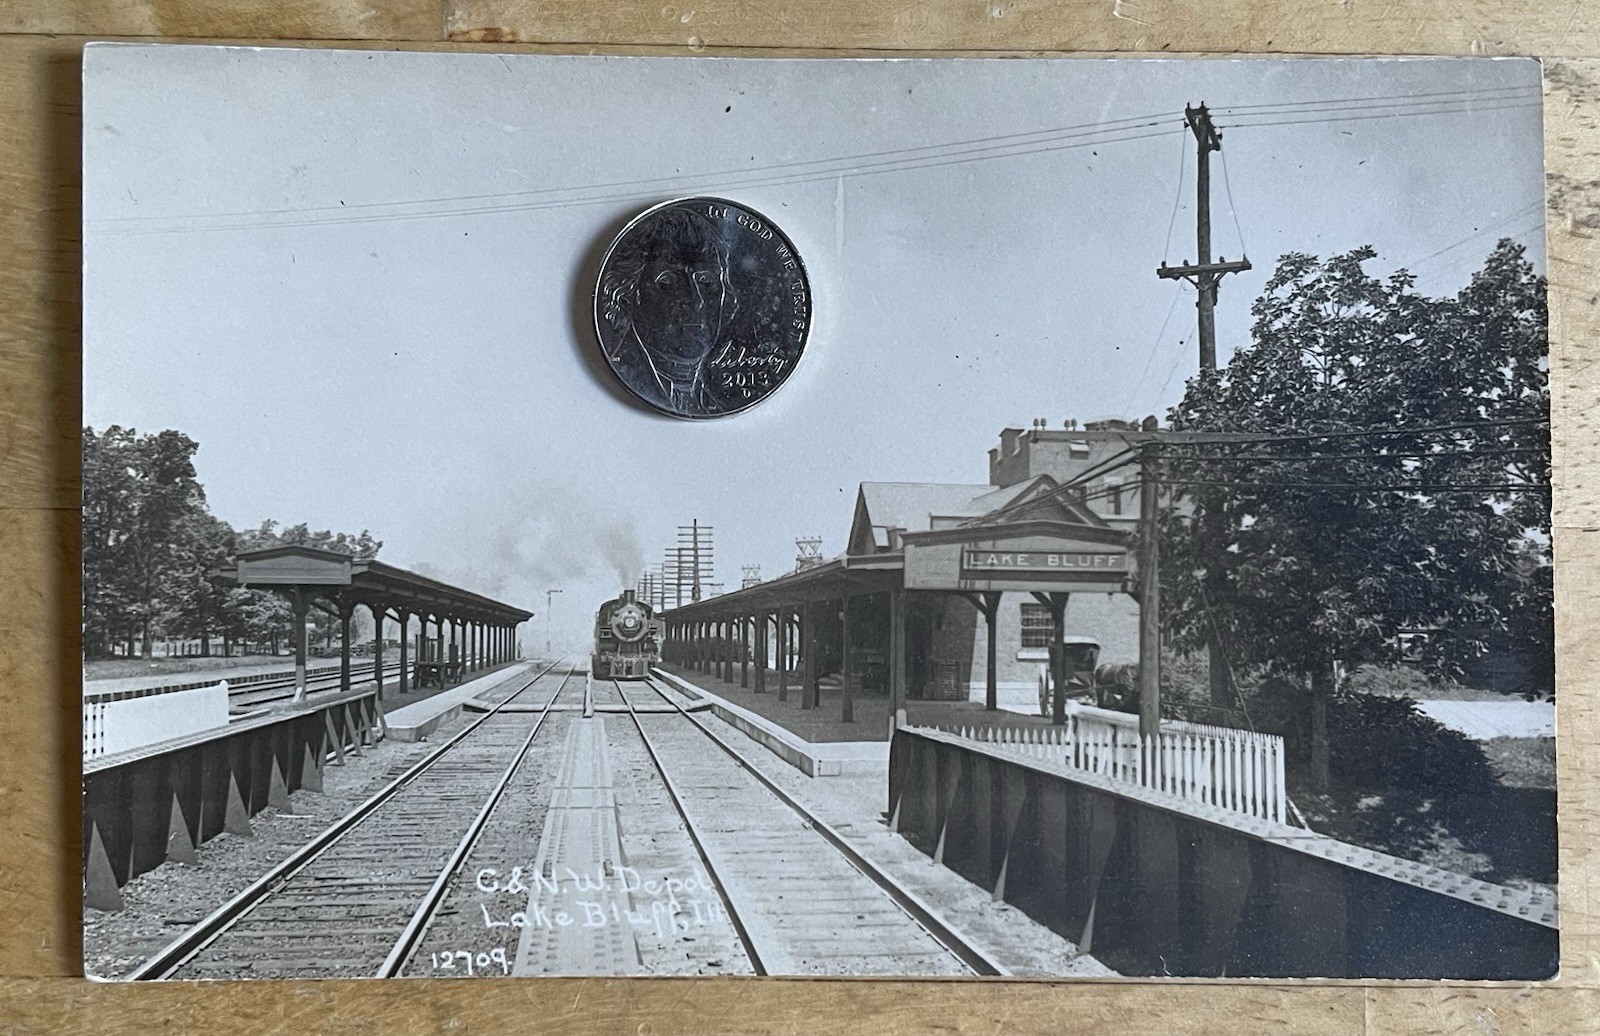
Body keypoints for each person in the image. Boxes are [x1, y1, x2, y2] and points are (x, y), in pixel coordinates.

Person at [599, 206, 741, 416]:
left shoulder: (709, 404)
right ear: (628, 294)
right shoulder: (614, 383)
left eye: (705, 280)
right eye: (667, 280)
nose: (695, 301)